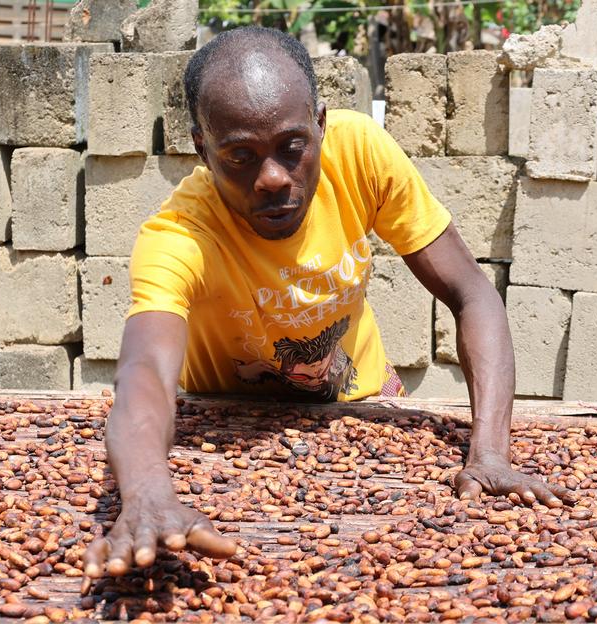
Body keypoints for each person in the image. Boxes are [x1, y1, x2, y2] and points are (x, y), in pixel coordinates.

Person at [82, 26, 568, 581]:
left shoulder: (360, 153)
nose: (271, 178)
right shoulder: (178, 236)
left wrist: (489, 453)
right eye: (239, 156)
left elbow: (472, 293)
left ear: (320, 125)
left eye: (293, 149)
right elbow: (144, 370)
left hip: (365, 407)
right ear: (201, 148)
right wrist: (145, 490)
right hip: (228, 431)